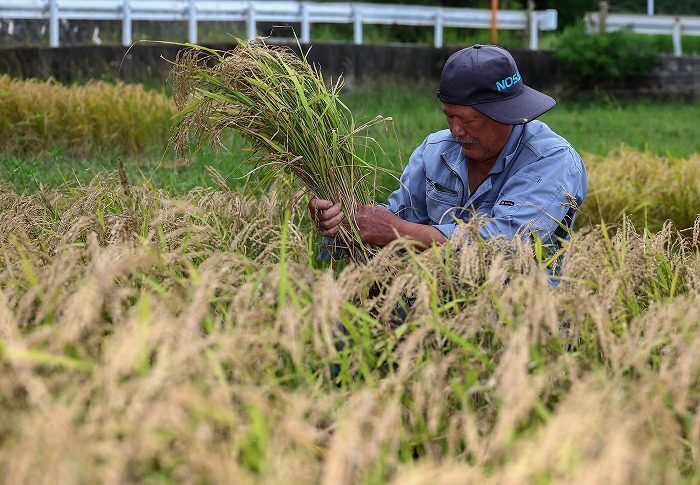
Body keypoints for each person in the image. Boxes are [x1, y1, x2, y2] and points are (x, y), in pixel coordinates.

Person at [309, 44, 588, 280]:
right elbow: (397, 216)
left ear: (506, 114)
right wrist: (345, 220)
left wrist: (398, 232)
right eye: (449, 116)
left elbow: (507, 244)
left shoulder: (551, 160)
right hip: (434, 308)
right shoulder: (436, 150)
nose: (456, 131)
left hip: (519, 317)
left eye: (467, 120)